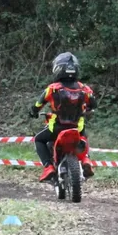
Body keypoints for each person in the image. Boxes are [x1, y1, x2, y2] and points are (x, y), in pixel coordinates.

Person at [30, 52, 96, 183]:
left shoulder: (53, 88)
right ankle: (86, 159)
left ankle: (48, 167)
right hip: (77, 127)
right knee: (84, 137)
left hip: (56, 128)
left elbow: (38, 104)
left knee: (38, 139)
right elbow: (94, 104)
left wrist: (33, 112)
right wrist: (87, 108)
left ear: (58, 69)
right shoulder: (84, 88)